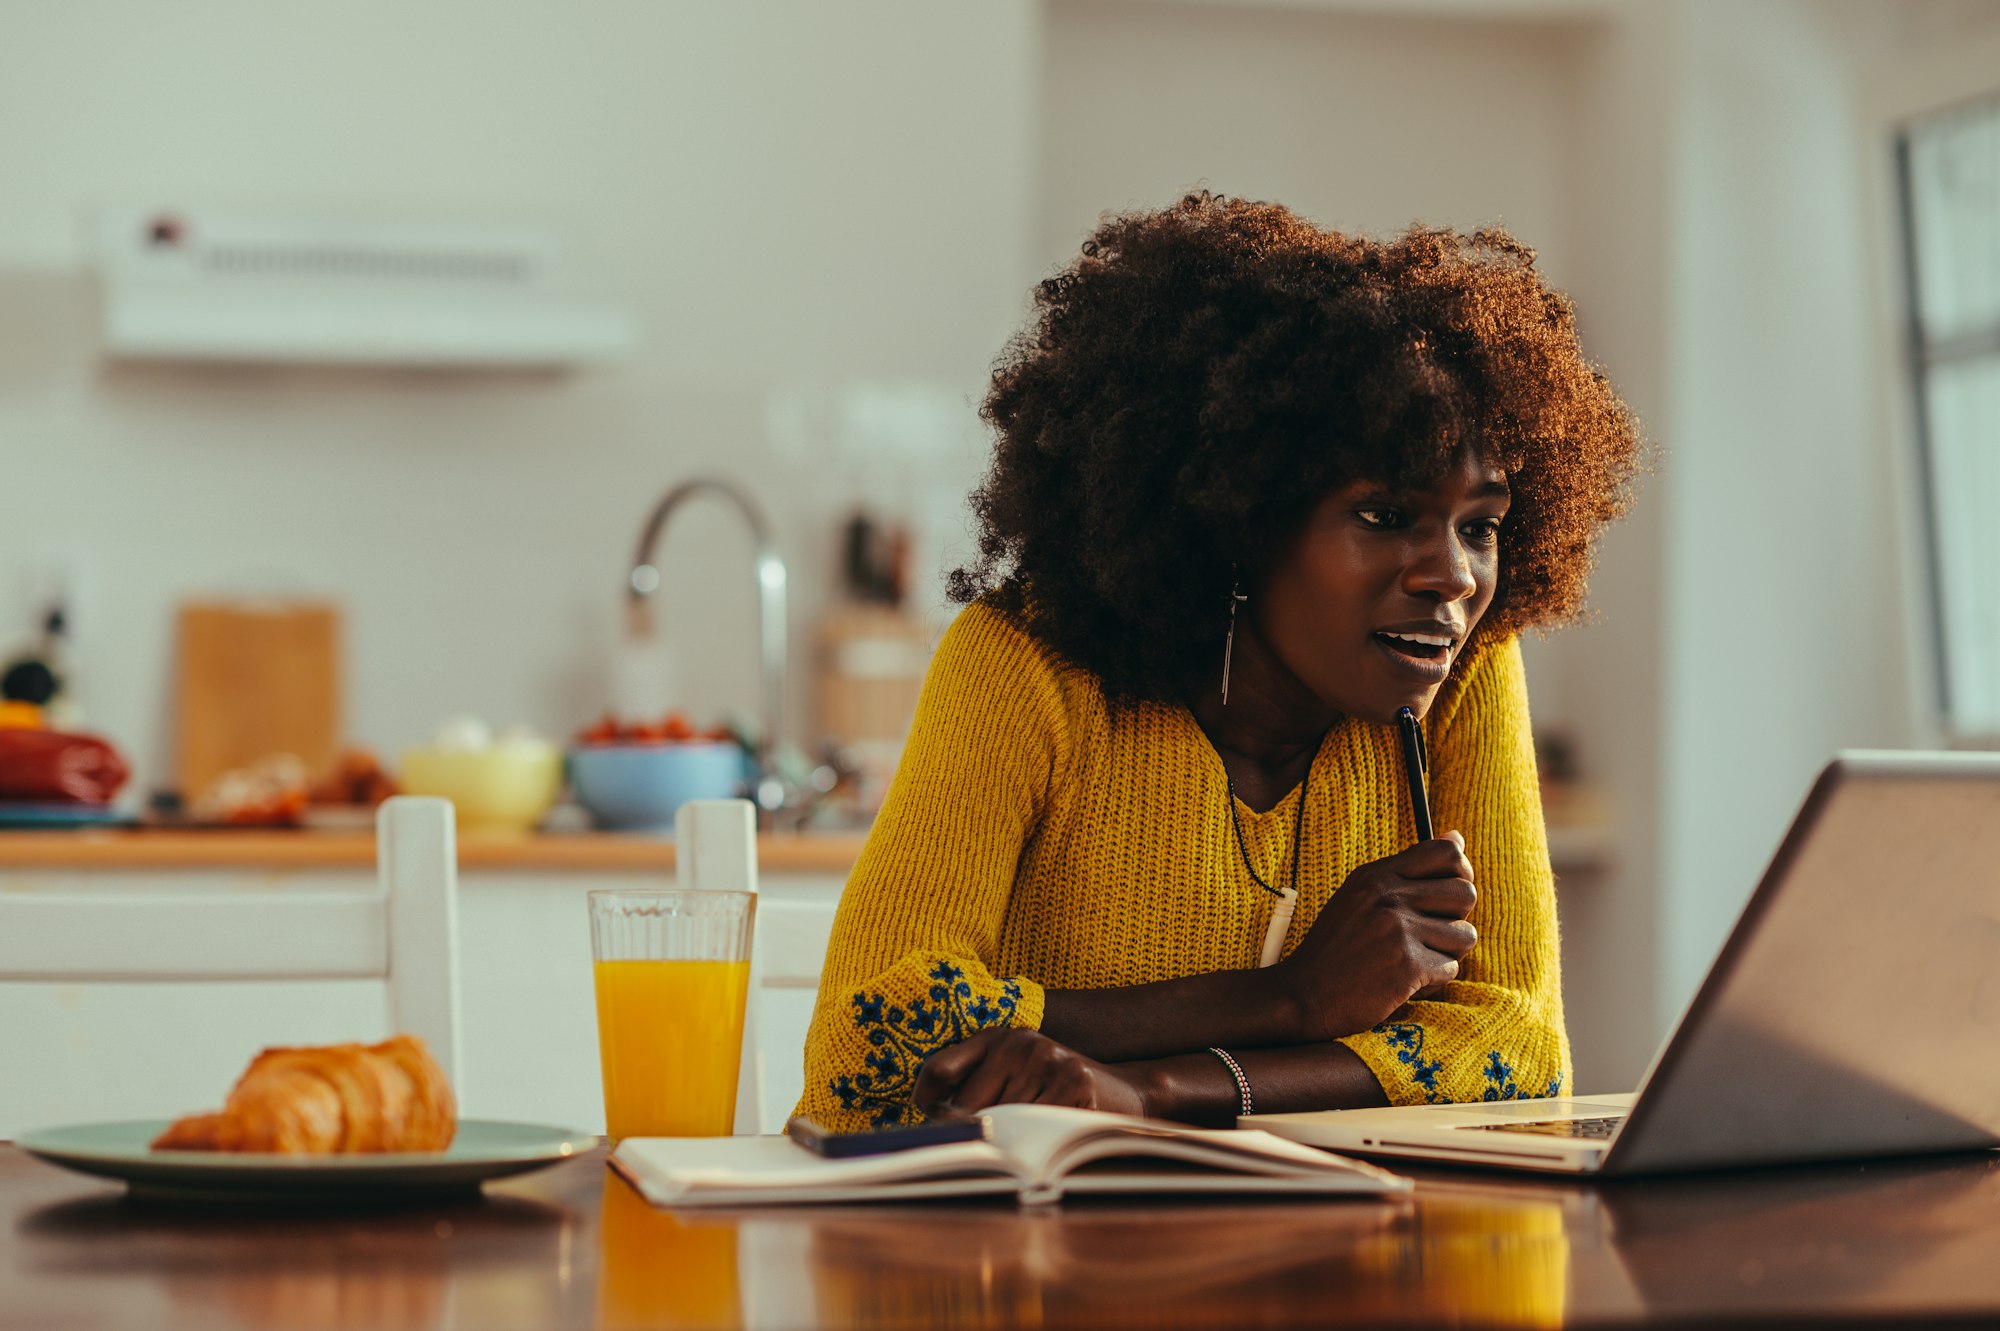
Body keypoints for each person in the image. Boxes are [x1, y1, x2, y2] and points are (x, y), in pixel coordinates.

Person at [796, 192, 1641, 1130]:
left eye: (1480, 527)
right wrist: (1289, 1000)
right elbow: (870, 1038)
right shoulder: (1029, 665)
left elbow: (1520, 1054)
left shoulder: (1466, 672)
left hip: (1336, 1257)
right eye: (1384, 515)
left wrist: (1147, 1089)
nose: (1452, 575)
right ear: (1238, 518)